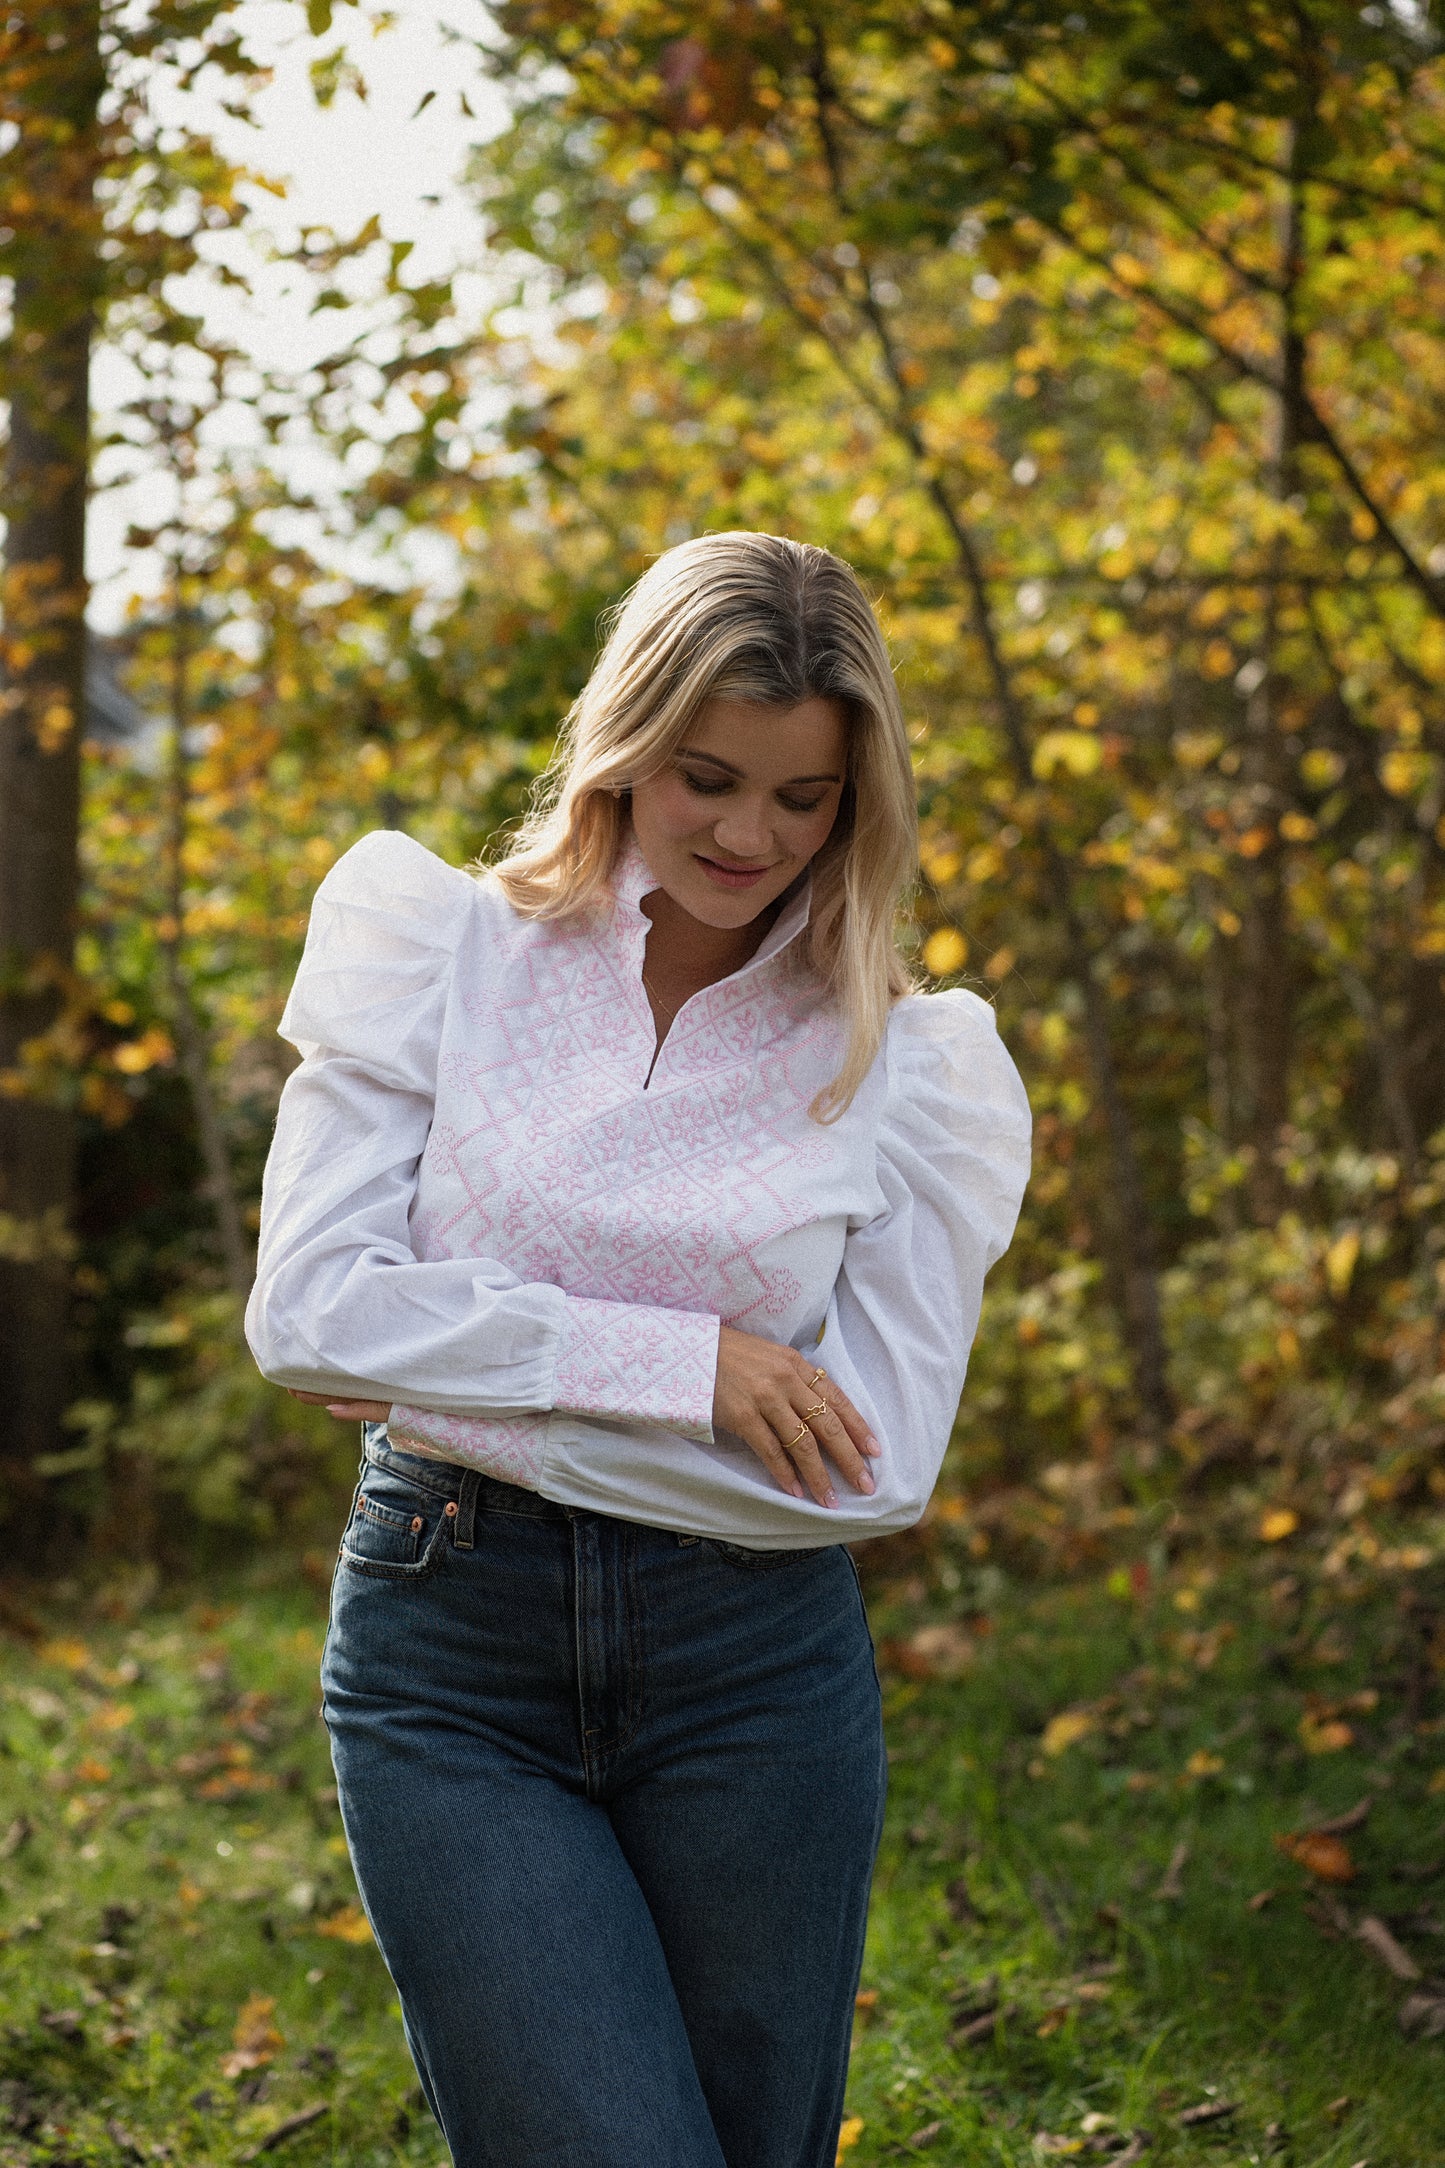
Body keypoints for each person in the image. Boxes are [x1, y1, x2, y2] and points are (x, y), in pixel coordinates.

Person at [245, 530, 1031, 2168]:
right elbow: (309, 1310)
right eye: (705, 778)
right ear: (623, 746)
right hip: (451, 1653)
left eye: (803, 797)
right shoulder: (436, 946)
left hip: (755, 1675)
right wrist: (693, 1371)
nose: (750, 835)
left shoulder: (909, 1061)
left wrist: (448, 1371)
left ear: (857, 801)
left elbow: (865, 1471)